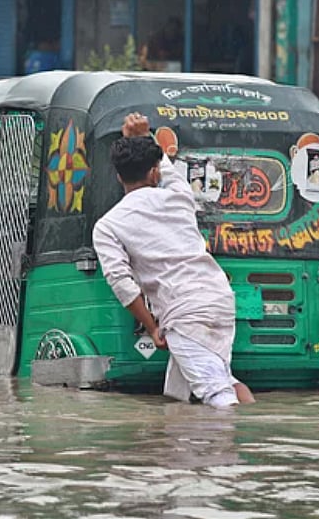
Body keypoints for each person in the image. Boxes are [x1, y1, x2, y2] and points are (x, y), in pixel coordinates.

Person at [92, 112, 255, 408]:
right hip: (219, 299)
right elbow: (165, 168)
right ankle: (252, 438)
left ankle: (233, 452)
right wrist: (143, 137)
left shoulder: (108, 225)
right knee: (222, 381)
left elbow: (122, 284)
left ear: (118, 176)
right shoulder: (180, 196)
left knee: (216, 393)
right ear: (153, 172)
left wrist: (152, 328)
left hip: (184, 311)